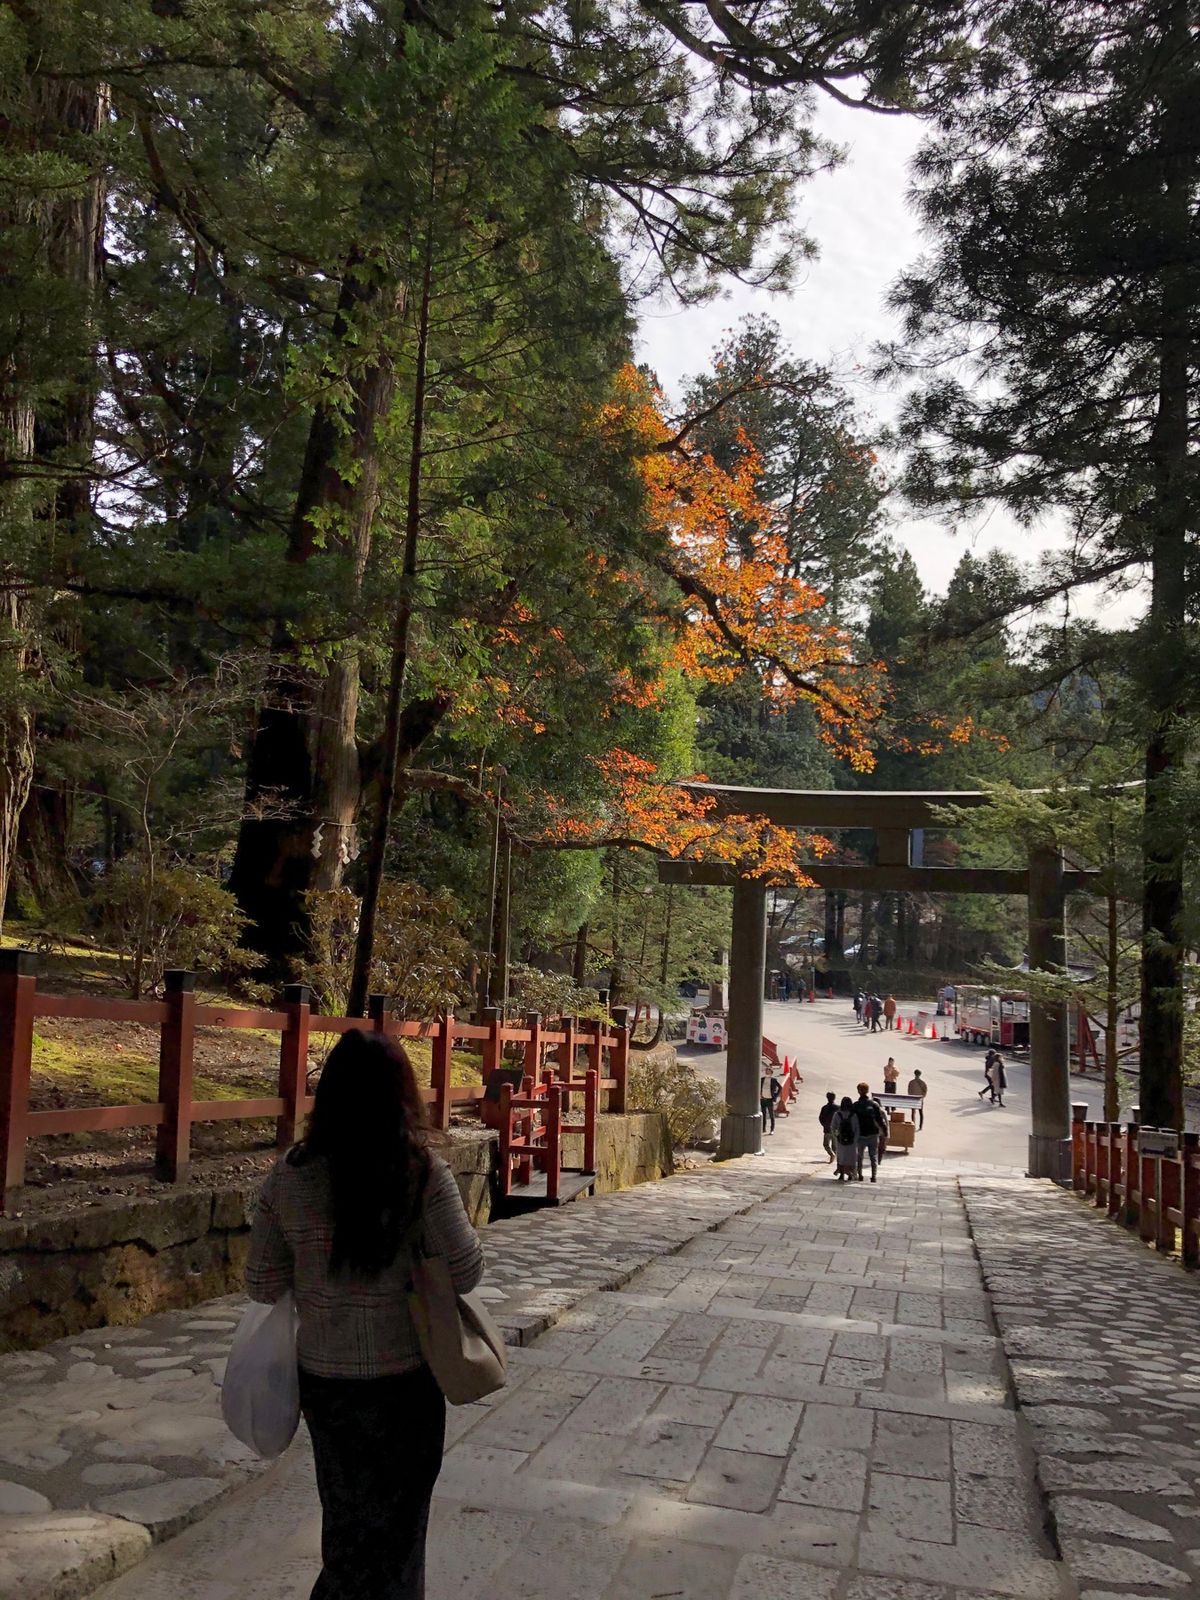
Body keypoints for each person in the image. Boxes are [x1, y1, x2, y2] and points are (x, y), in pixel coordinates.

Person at [246, 1029, 485, 1600]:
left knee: (348, 1527)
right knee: (401, 1534)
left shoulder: (290, 1175)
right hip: (406, 1378)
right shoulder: (423, 1175)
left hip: (328, 1382)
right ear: (403, 1096)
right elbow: (468, 1270)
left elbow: (262, 1281)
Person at [853, 1082, 887, 1182]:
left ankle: (860, 1175)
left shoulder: (856, 1105)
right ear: (867, 1091)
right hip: (873, 1133)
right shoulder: (874, 1104)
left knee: (859, 1156)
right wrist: (884, 1131)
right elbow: (880, 1120)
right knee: (873, 1156)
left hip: (861, 1134)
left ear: (858, 1091)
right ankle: (873, 1176)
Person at [831, 1096, 859, 1182]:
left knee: (841, 1157)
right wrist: (855, 1139)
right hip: (851, 1141)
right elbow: (856, 1128)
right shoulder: (853, 1115)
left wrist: (837, 1136)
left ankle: (841, 1174)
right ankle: (850, 1174)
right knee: (851, 1158)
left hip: (841, 1140)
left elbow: (833, 1127)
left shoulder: (837, 1114)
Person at [760, 1065, 781, 1134]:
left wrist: (775, 1096)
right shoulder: (762, 1079)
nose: (767, 1072)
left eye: (768, 1071)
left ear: (771, 1072)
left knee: (771, 1115)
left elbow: (780, 1087)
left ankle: (772, 1129)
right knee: (763, 1114)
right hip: (763, 1099)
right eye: (766, 1071)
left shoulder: (773, 1080)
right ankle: (763, 1128)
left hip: (769, 1099)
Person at [818, 1091, 838, 1162]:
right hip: (835, 1130)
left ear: (827, 1098)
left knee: (826, 1144)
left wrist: (824, 1125)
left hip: (827, 1129)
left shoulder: (824, 1108)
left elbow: (820, 1118)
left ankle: (832, 1155)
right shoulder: (838, 1108)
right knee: (835, 1146)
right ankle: (836, 1158)